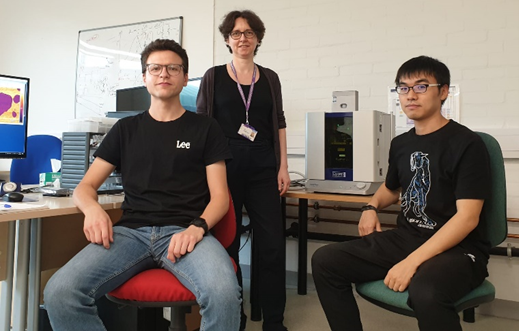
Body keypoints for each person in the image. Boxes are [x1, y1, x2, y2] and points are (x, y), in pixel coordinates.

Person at [44, 39, 241, 331]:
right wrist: (93, 210)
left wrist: (198, 227)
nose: (164, 74)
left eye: (173, 68)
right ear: (144, 78)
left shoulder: (205, 128)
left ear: (185, 78)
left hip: (186, 233)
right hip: (129, 234)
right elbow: (85, 187)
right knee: (60, 292)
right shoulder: (125, 130)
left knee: (225, 293)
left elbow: (220, 198)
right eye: (156, 68)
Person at [312, 55, 491, 331]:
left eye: (421, 87)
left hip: (459, 249)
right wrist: (370, 208)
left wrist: (412, 262)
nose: (410, 95)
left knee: (426, 291)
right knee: (325, 261)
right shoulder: (401, 143)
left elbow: (467, 218)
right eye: (403, 88)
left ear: (443, 91)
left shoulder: (467, 144)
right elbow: (391, 189)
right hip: (407, 238)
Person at [196, 9, 289, 331]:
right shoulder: (213, 76)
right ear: (227, 39)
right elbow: (202, 124)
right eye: (236, 33)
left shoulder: (271, 77)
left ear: (258, 38)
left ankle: (274, 322)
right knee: (228, 243)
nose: (243, 38)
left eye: (249, 33)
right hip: (225, 170)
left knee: (273, 246)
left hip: (265, 168)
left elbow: (278, 123)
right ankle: (234, 316)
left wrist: (284, 168)